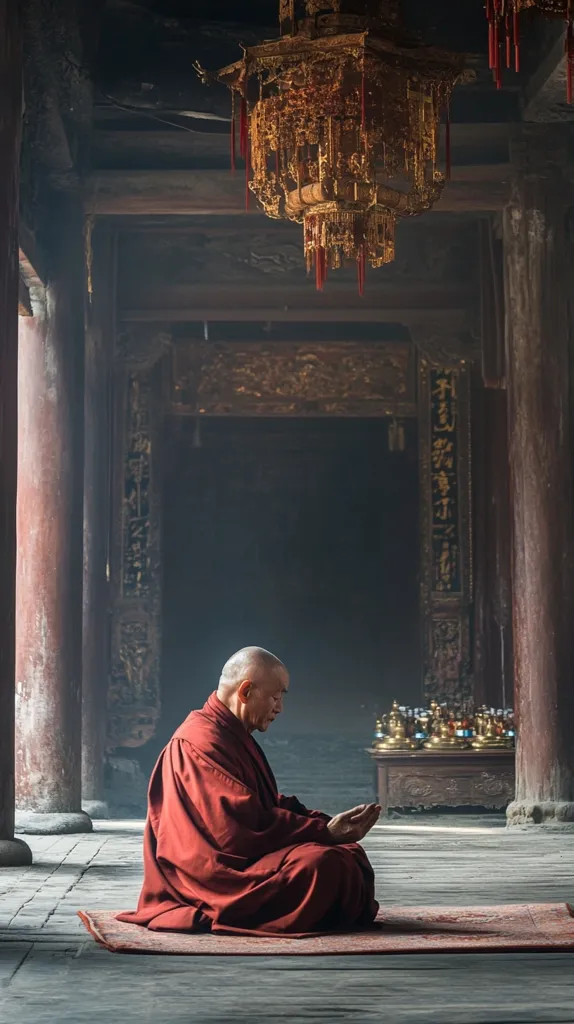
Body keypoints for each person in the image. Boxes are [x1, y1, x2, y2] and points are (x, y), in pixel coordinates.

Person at [118, 647, 380, 936]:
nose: (279, 708)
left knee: (348, 853)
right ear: (245, 692)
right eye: (276, 697)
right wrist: (324, 832)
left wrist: (324, 823)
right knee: (323, 865)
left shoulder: (230, 734)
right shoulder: (200, 742)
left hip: (243, 850)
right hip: (212, 873)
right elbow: (233, 828)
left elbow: (261, 803)